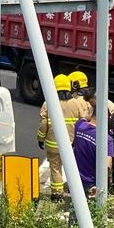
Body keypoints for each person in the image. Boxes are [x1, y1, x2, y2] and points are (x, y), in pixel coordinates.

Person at [37, 74, 85, 202]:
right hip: (72, 143)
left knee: (55, 168)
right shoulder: (75, 103)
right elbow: (83, 121)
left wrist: (40, 139)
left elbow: (43, 125)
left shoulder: (48, 103)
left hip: (53, 144)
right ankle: (74, 190)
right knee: (73, 167)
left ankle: (57, 194)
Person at [72, 87, 114, 197]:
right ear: (105, 117)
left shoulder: (79, 126)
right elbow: (107, 167)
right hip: (92, 184)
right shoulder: (106, 139)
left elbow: (84, 118)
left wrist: (90, 115)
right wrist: (105, 184)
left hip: (76, 178)